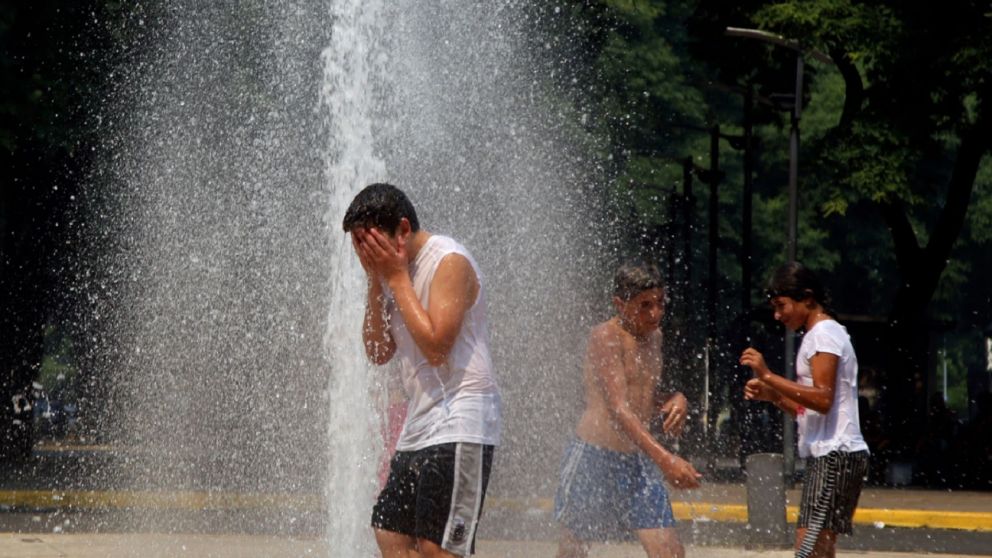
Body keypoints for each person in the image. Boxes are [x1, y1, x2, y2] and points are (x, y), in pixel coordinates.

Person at [343, 183, 502, 558]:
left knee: (438, 548)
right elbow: (379, 352)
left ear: (401, 229)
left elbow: (436, 347)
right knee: (389, 531)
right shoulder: (389, 273)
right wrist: (375, 282)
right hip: (420, 424)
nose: (365, 254)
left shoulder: (449, 261)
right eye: (359, 246)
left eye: (370, 243)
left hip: (463, 417)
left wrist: (396, 278)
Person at [555, 260, 702, 558]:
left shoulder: (654, 337)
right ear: (620, 304)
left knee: (670, 553)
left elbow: (641, 392)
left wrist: (676, 398)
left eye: (660, 303)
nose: (656, 313)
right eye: (645, 305)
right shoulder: (605, 337)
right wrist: (666, 460)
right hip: (593, 458)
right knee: (573, 553)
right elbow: (619, 409)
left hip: (637, 460)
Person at [739, 262, 870, 558]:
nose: (777, 315)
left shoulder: (824, 334)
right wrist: (772, 395)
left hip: (835, 455)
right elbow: (807, 409)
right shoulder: (820, 334)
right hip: (833, 456)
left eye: (781, 305)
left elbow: (823, 399)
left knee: (808, 550)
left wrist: (768, 375)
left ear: (807, 298)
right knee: (818, 551)